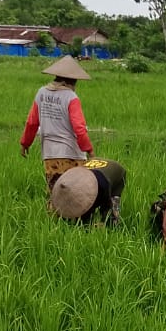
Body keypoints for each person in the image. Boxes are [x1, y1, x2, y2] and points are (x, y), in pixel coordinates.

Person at [19, 55, 94, 191]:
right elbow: (79, 128)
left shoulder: (41, 93)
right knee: (76, 194)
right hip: (72, 155)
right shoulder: (71, 97)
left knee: (55, 192)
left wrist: (25, 143)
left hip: (50, 155)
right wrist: (89, 149)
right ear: (73, 81)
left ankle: (52, 213)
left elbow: (32, 123)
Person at [50, 158, 125, 227]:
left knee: (112, 208)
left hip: (116, 173)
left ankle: (113, 226)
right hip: (91, 168)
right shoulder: (71, 180)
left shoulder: (103, 184)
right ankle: (85, 224)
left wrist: (104, 221)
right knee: (84, 209)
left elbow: (107, 205)